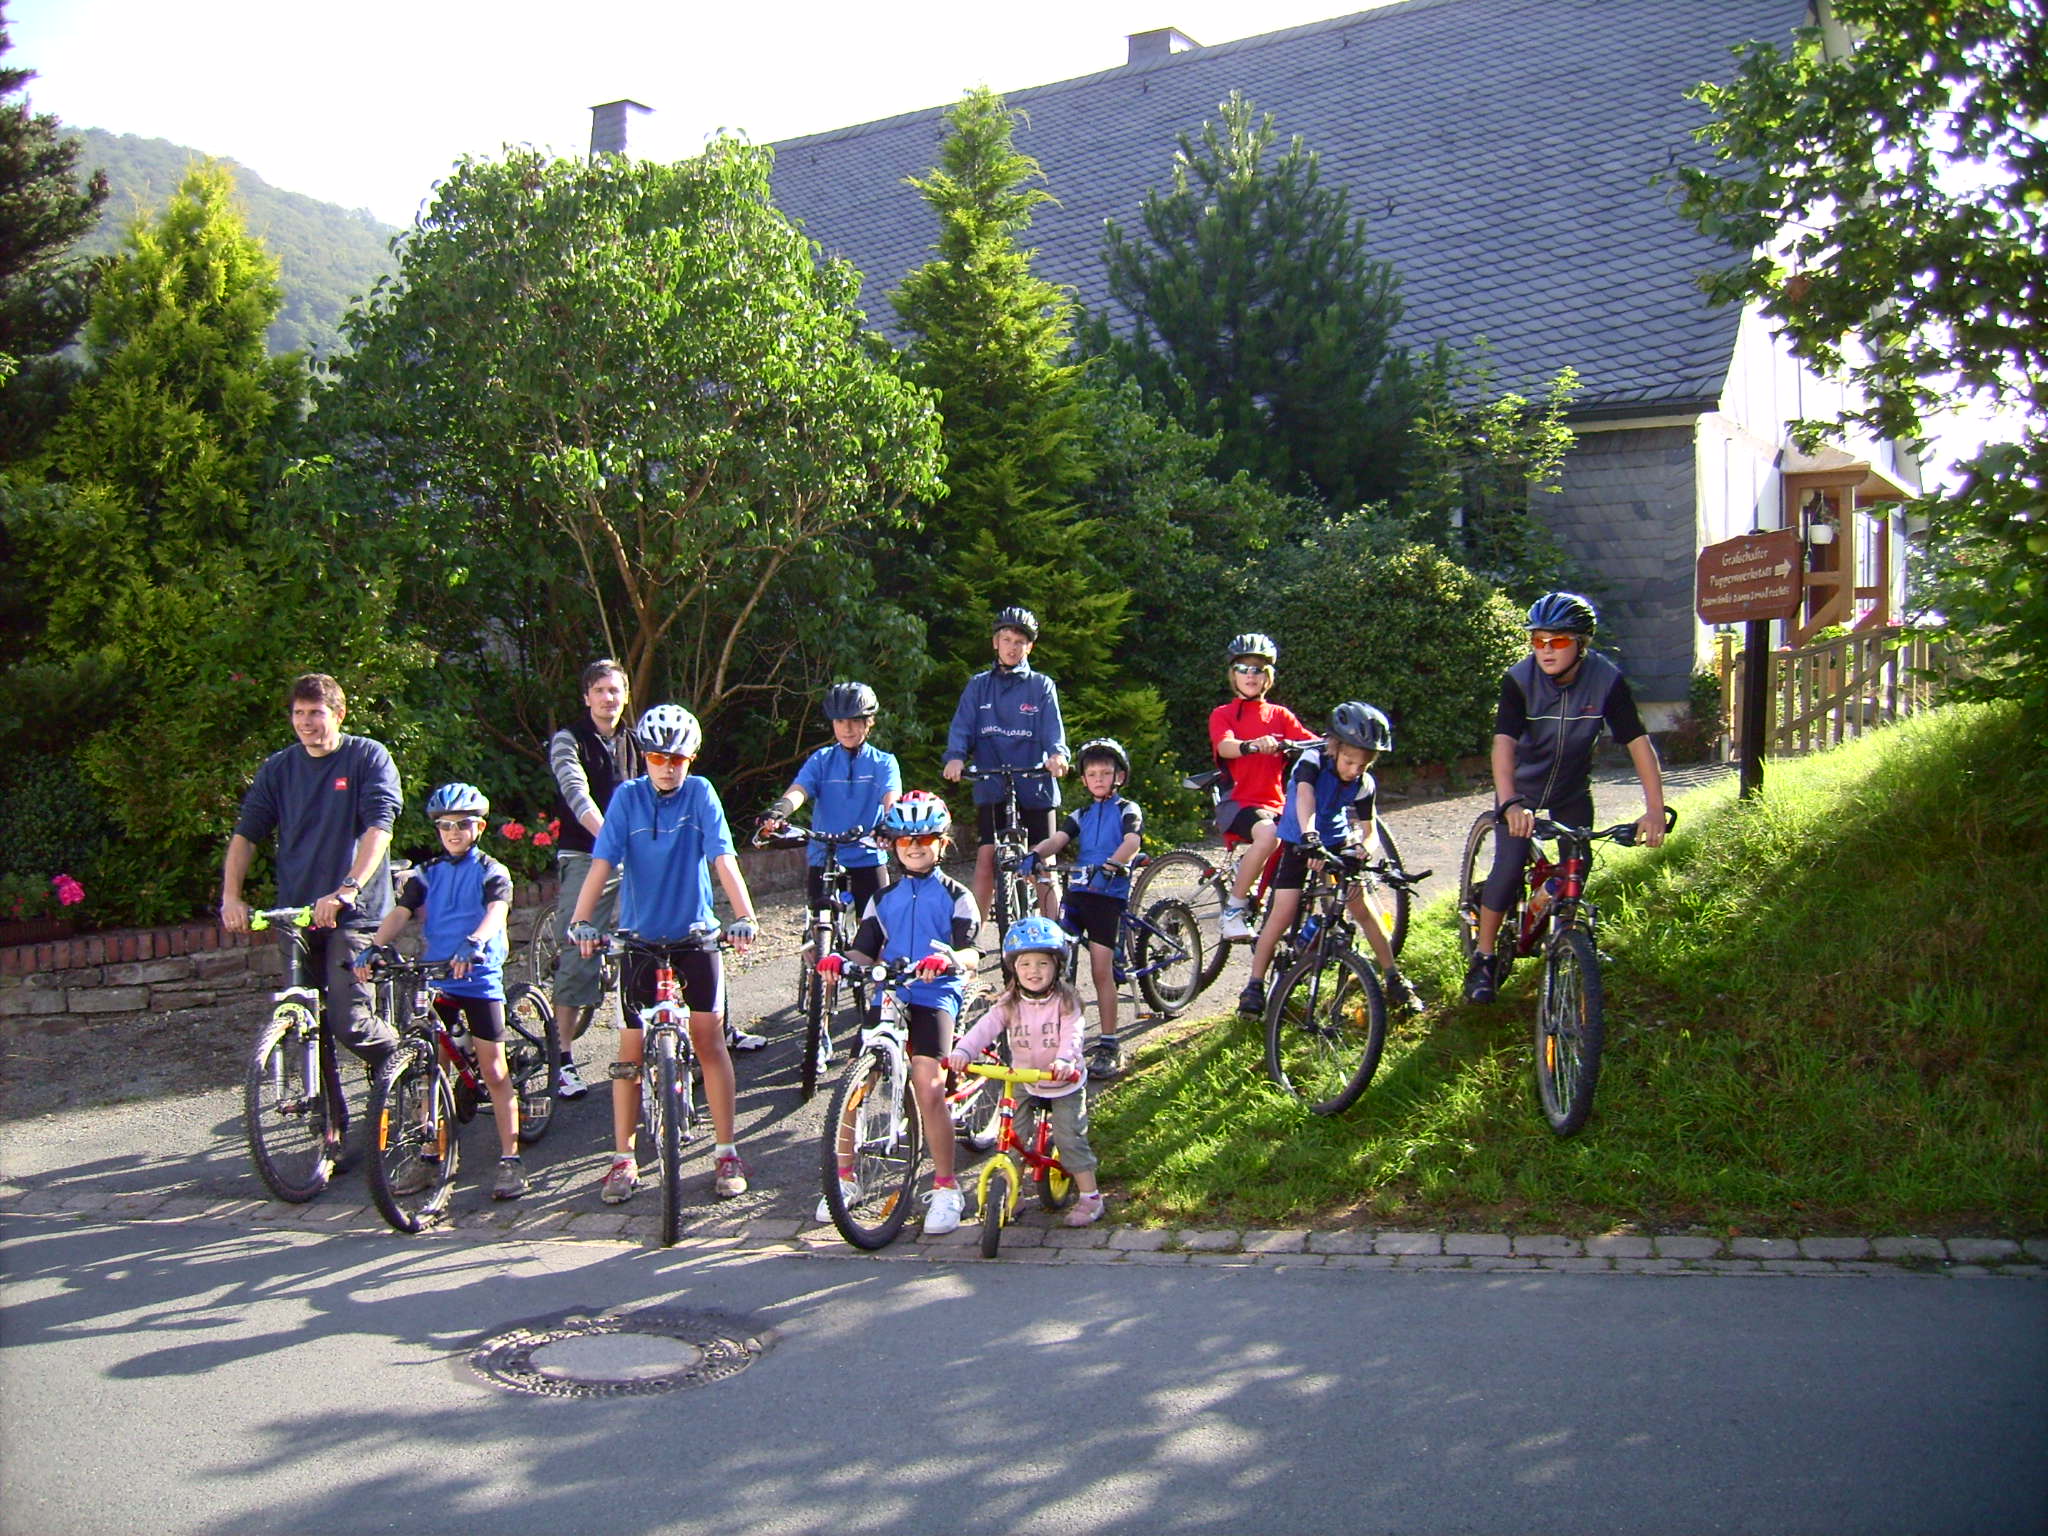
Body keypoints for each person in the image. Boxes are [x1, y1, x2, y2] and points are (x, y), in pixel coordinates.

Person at [565, 705, 761, 1203]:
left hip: (695, 935)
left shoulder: (701, 793)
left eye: (677, 759)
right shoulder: (627, 798)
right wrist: (581, 921)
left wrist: (745, 916)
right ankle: (622, 1159)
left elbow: (723, 858)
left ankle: (726, 1152)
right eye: (657, 757)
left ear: (691, 759)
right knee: (630, 1052)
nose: (667, 767)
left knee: (709, 1041)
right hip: (639, 938)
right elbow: (602, 862)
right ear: (645, 757)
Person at [221, 674, 404, 1138]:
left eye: (316, 713)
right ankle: (330, 1129)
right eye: (298, 713)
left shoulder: (366, 757)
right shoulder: (279, 768)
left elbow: (379, 827)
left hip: (354, 912)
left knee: (349, 1021)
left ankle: (412, 1065)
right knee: (308, 1022)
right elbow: (246, 834)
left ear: (339, 714)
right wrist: (231, 896)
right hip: (298, 914)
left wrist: (347, 888)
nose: (306, 722)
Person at [1465, 592, 1667, 1003]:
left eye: (1556, 641)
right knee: (1508, 869)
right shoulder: (1518, 679)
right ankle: (1484, 957)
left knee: (1578, 867)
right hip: (1521, 789)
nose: (1545, 650)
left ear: (1581, 643)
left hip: (1570, 789)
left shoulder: (1606, 680)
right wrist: (1510, 802)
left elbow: (1638, 742)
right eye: (1537, 640)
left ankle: (1564, 938)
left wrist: (1654, 809)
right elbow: (1503, 744)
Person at [815, 791, 981, 1233]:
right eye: (906, 839)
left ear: (943, 843)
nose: (914, 847)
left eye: (925, 838)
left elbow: (971, 953)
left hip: (934, 994)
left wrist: (948, 959)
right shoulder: (882, 898)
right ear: (893, 845)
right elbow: (864, 949)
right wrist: (840, 962)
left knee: (928, 1084)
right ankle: (843, 1178)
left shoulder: (958, 896)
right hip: (888, 992)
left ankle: (946, 1187)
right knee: (855, 1084)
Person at [354, 783, 526, 1200]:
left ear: (479, 828)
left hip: (478, 975)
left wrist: (477, 941)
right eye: (445, 826)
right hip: (440, 975)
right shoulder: (426, 872)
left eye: (462, 825)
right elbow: (401, 912)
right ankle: (430, 1153)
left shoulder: (491, 870)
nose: (453, 832)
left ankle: (511, 1160)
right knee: (432, 1067)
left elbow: (497, 910)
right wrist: (374, 947)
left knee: (494, 1070)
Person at [1236, 702, 1427, 1018]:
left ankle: (1394, 977)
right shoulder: (1312, 760)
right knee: (1283, 911)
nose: (1354, 770)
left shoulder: (1364, 783)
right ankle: (1254, 985)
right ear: (1333, 748)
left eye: (1362, 765)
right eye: (1349, 761)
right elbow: (1305, 797)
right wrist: (1310, 837)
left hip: (1336, 839)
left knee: (1360, 906)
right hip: (1300, 836)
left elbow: (1370, 830)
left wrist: (1362, 848)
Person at [944, 915, 1104, 1227]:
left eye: (1043, 964)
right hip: (1024, 1079)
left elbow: (1073, 1035)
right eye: (1025, 964)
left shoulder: (1065, 1001)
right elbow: (986, 1027)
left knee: (1069, 1139)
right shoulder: (1010, 1001)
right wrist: (963, 1051)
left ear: (1057, 966)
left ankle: (1090, 1197)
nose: (1034, 971)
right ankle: (1009, 1193)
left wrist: (1065, 1061)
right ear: (1013, 968)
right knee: (1010, 1137)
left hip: (1063, 1082)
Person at [1021, 737, 1142, 1081]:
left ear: (1119, 776)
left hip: (1108, 896)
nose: (1099, 779)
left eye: (1106, 773)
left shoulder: (1127, 809)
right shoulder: (1081, 814)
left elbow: (1132, 841)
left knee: (1101, 971)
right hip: (1077, 893)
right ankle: (1057, 1037)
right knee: (1057, 960)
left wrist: (1112, 865)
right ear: (1085, 779)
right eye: (1092, 774)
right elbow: (1058, 840)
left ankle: (1109, 1043)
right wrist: (1035, 854)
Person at [545, 659, 639, 1100]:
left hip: (632, 851)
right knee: (578, 946)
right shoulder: (570, 740)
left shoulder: (637, 742)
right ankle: (561, 1055)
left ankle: (708, 1030)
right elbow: (576, 792)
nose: (608, 698)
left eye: (615, 690)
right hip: (586, 851)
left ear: (625, 695)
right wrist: (609, 838)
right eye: (599, 690)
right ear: (587, 697)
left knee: (678, 931)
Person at [941, 605, 1068, 925]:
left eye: (1019, 642)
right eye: (1006, 640)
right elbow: (962, 727)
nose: (1012, 647)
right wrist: (956, 756)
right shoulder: (978, 685)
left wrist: (1057, 755)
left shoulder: (1041, 685)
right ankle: (972, 935)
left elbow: (1053, 730)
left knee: (1044, 862)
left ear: (1030, 647)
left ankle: (1055, 933)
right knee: (986, 858)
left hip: (1034, 783)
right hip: (992, 782)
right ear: (995, 642)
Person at [755, 679, 901, 944]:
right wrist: (780, 810)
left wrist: (890, 822)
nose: (847, 728)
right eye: (840, 721)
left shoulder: (883, 762)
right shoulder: (822, 760)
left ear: (869, 722)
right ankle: (815, 964)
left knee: (879, 934)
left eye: (855, 720)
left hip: (867, 855)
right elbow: (800, 789)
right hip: (825, 856)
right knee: (816, 931)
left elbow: (891, 795)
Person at [1208, 633, 1322, 940]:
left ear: (1267, 676)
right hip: (1239, 802)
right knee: (1270, 834)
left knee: (1310, 836)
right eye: (1243, 668)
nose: (1250, 675)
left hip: (1276, 803)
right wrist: (1251, 745)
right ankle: (1232, 910)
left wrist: (1335, 745)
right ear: (1233, 674)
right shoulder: (1223, 714)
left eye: (1257, 669)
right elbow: (1225, 745)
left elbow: (1309, 742)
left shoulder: (1280, 715)